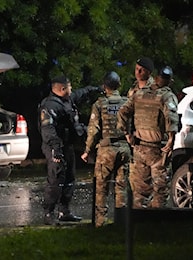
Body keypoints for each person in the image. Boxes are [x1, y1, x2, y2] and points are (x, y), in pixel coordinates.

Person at [39, 75, 102, 225]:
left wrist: (93, 89)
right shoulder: (50, 106)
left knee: (69, 178)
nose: (71, 89)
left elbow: (79, 94)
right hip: (55, 146)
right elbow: (48, 130)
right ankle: (49, 213)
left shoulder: (66, 100)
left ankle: (64, 211)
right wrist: (56, 149)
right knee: (56, 179)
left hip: (67, 145)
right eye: (69, 87)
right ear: (62, 89)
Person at [117, 66, 179, 209]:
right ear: (169, 81)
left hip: (139, 148)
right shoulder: (166, 96)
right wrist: (171, 140)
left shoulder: (139, 94)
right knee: (160, 191)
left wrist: (127, 134)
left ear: (156, 78)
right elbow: (171, 118)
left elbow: (122, 113)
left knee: (139, 192)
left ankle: (139, 225)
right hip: (158, 150)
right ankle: (154, 224)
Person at [81, 71, 131, 227]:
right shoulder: (127, 102)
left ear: (104, 86)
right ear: (119, 85)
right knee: (121, 187)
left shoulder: (99, 104)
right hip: (124, 149)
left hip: (106, 150)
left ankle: (100, 224)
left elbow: (93, 129)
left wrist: (87, 150)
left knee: (101, 188)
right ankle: (121, 223)